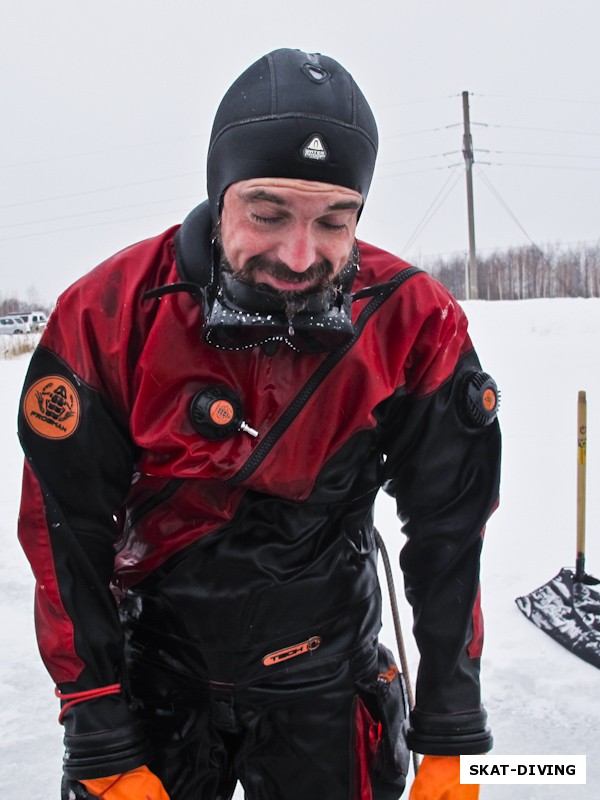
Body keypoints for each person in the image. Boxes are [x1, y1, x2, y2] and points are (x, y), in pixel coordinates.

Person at [17, 48, 501, 800]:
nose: (298, 254)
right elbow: (66, 532)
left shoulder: (413, 323)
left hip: (327, 685)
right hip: (158, 678)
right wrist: (98, 734)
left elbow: (450, 532)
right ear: (220, 193)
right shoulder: (109, 315)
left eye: (334, 220)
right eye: (268, 213)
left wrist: (451, 730)